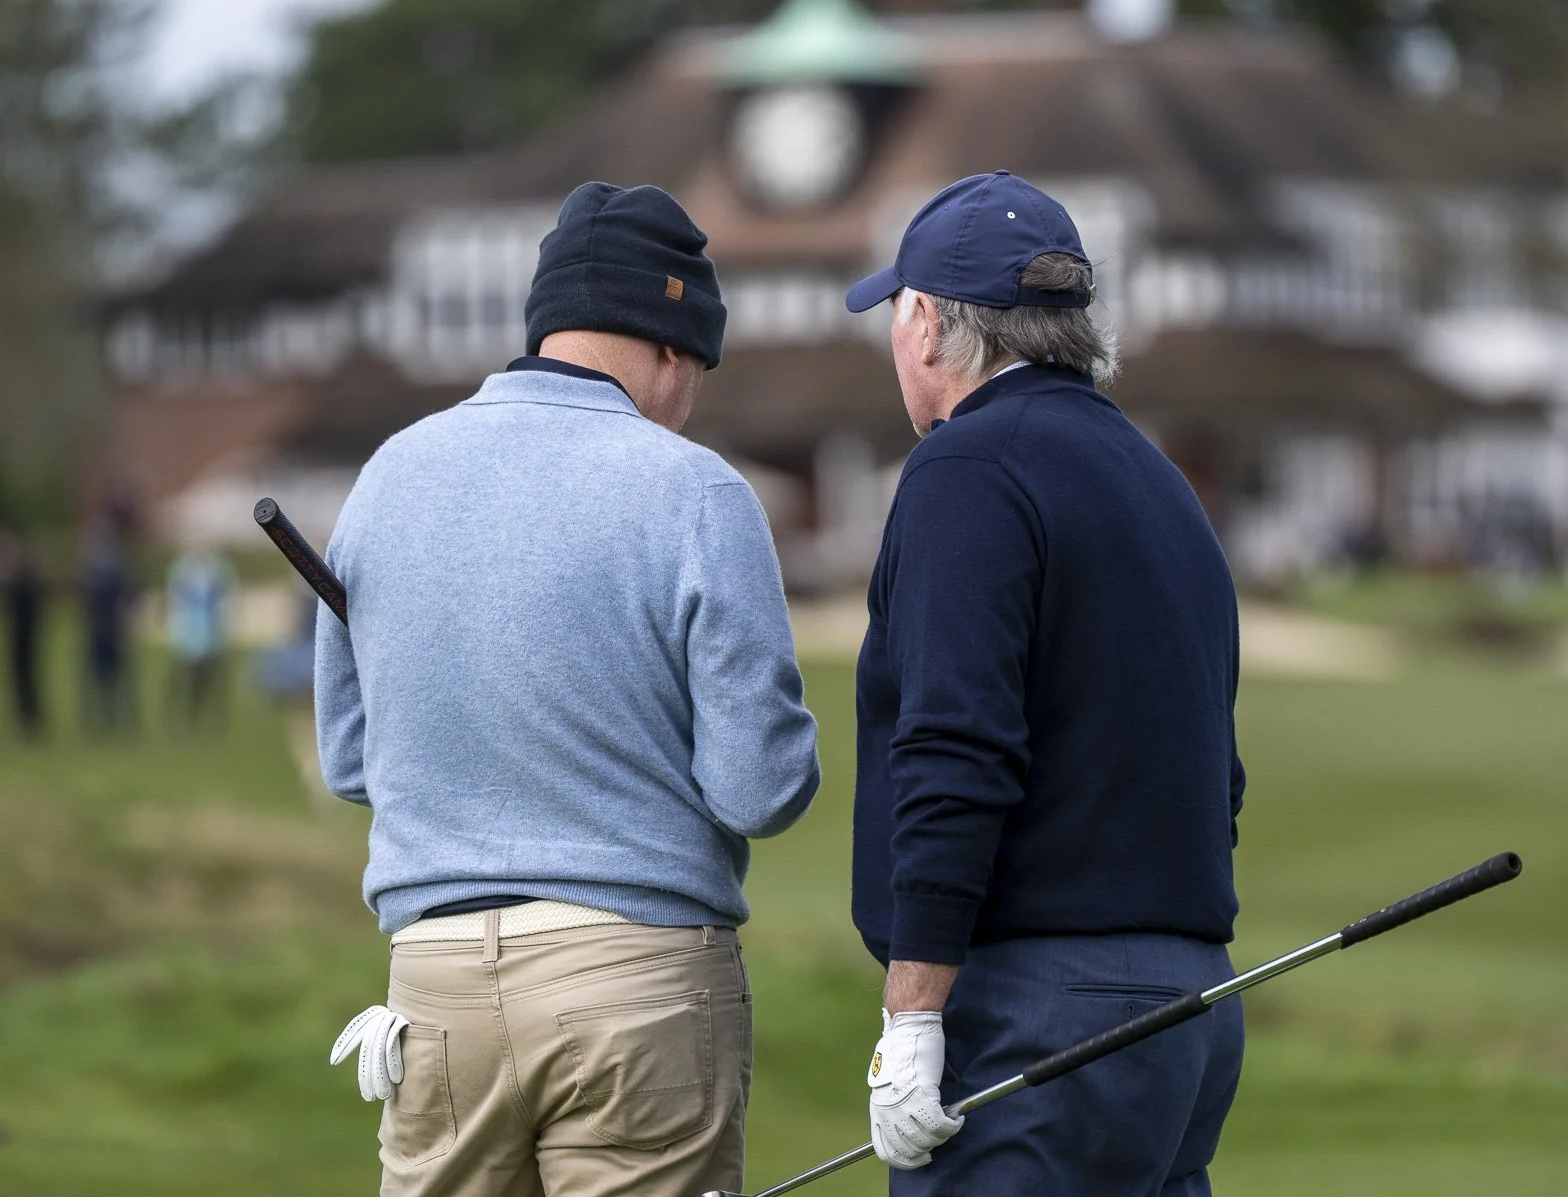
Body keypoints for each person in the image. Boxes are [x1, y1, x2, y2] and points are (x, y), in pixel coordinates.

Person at [316, 182, 821, 1197]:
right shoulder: (697, 489)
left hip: (436, 981)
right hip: (637, 981)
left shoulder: (387, 474)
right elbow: (760, 787)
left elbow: (351, 760)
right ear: (670, 346)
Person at [845, 171, 1247, 1196]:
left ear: (928, 322)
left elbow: (954, 748)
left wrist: (914, 1016)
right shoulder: (1154, 475)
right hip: (1189, 999)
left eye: (896, 310)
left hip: (1041, 1001)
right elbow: (1220, 773)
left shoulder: (967, 467)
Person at [165, 547, 236, 730]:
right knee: (189, 681)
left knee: (212, 682)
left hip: (209, 637)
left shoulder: (215, 573)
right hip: (191, 638)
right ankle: (187, 716)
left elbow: (226, 603)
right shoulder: (184, 572)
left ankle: (213, 719)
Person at [78, 524, 137, 735]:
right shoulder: (95, 572)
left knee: (115, 680)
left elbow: (128, 599)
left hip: (111, 632)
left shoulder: (112, 573)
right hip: (99, 632)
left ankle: (116, 720)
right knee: (98, 680)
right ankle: (97, 720)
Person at [1, 528, 46, 738]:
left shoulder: (22, 582)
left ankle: (29, 716)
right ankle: (28, 716)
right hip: (25, 638)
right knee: (25, 680)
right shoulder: (24, 579)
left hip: (24, 639)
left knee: (26, 679)